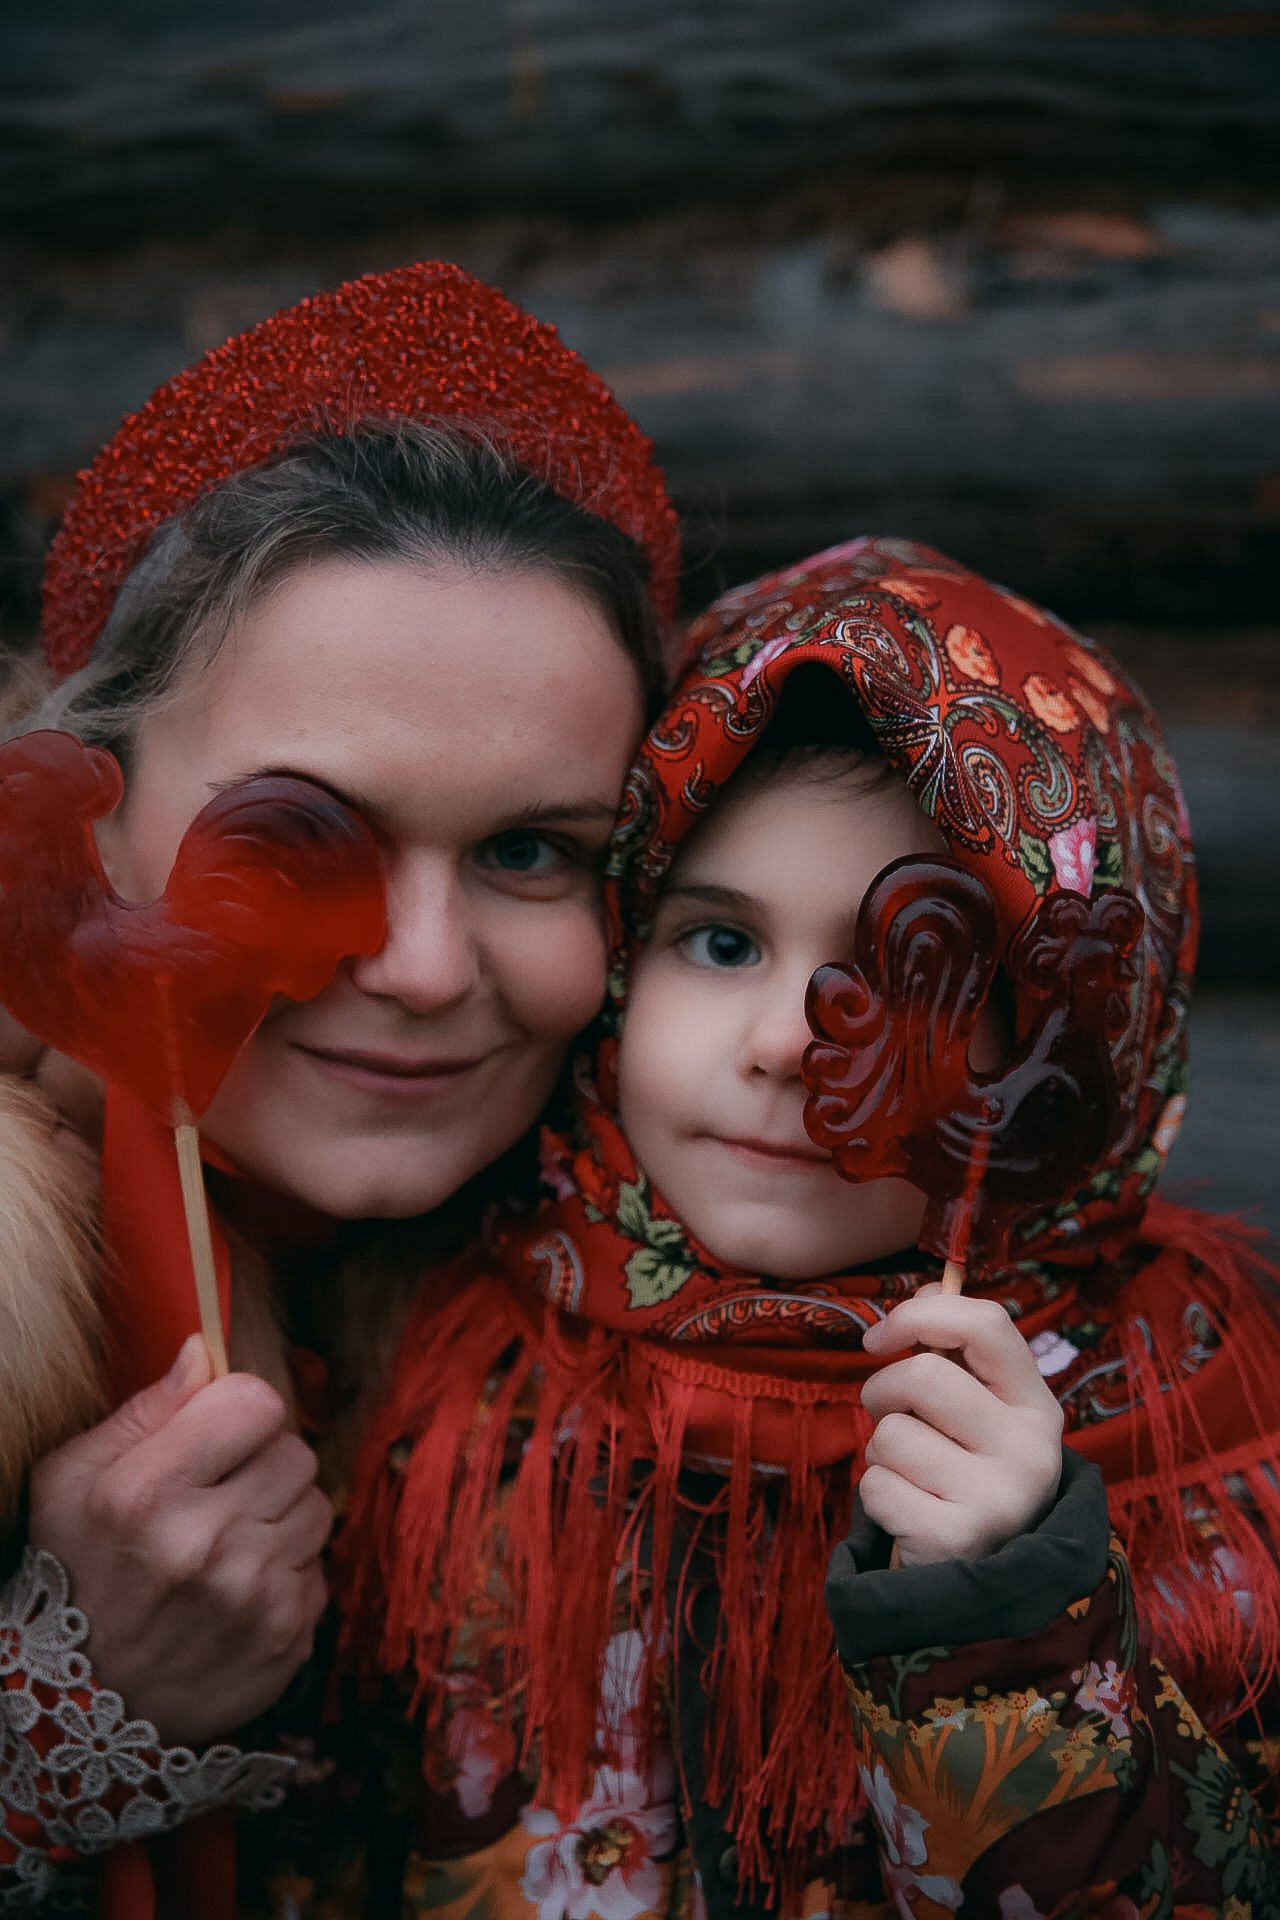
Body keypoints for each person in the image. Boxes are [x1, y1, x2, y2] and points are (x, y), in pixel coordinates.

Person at [328, 538, 1280, 1915]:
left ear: (1072, 1043)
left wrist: (1011, 1623)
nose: (788, 1042)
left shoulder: (1209, 1442)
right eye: (721, 942)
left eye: (908, 977)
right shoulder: (453, 1368)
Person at [0, 259, 678, 1912]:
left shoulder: (664, 1286)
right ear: (93, 824)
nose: (427, 967)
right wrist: (61, 1718)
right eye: (303, 838)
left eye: (533, 851)